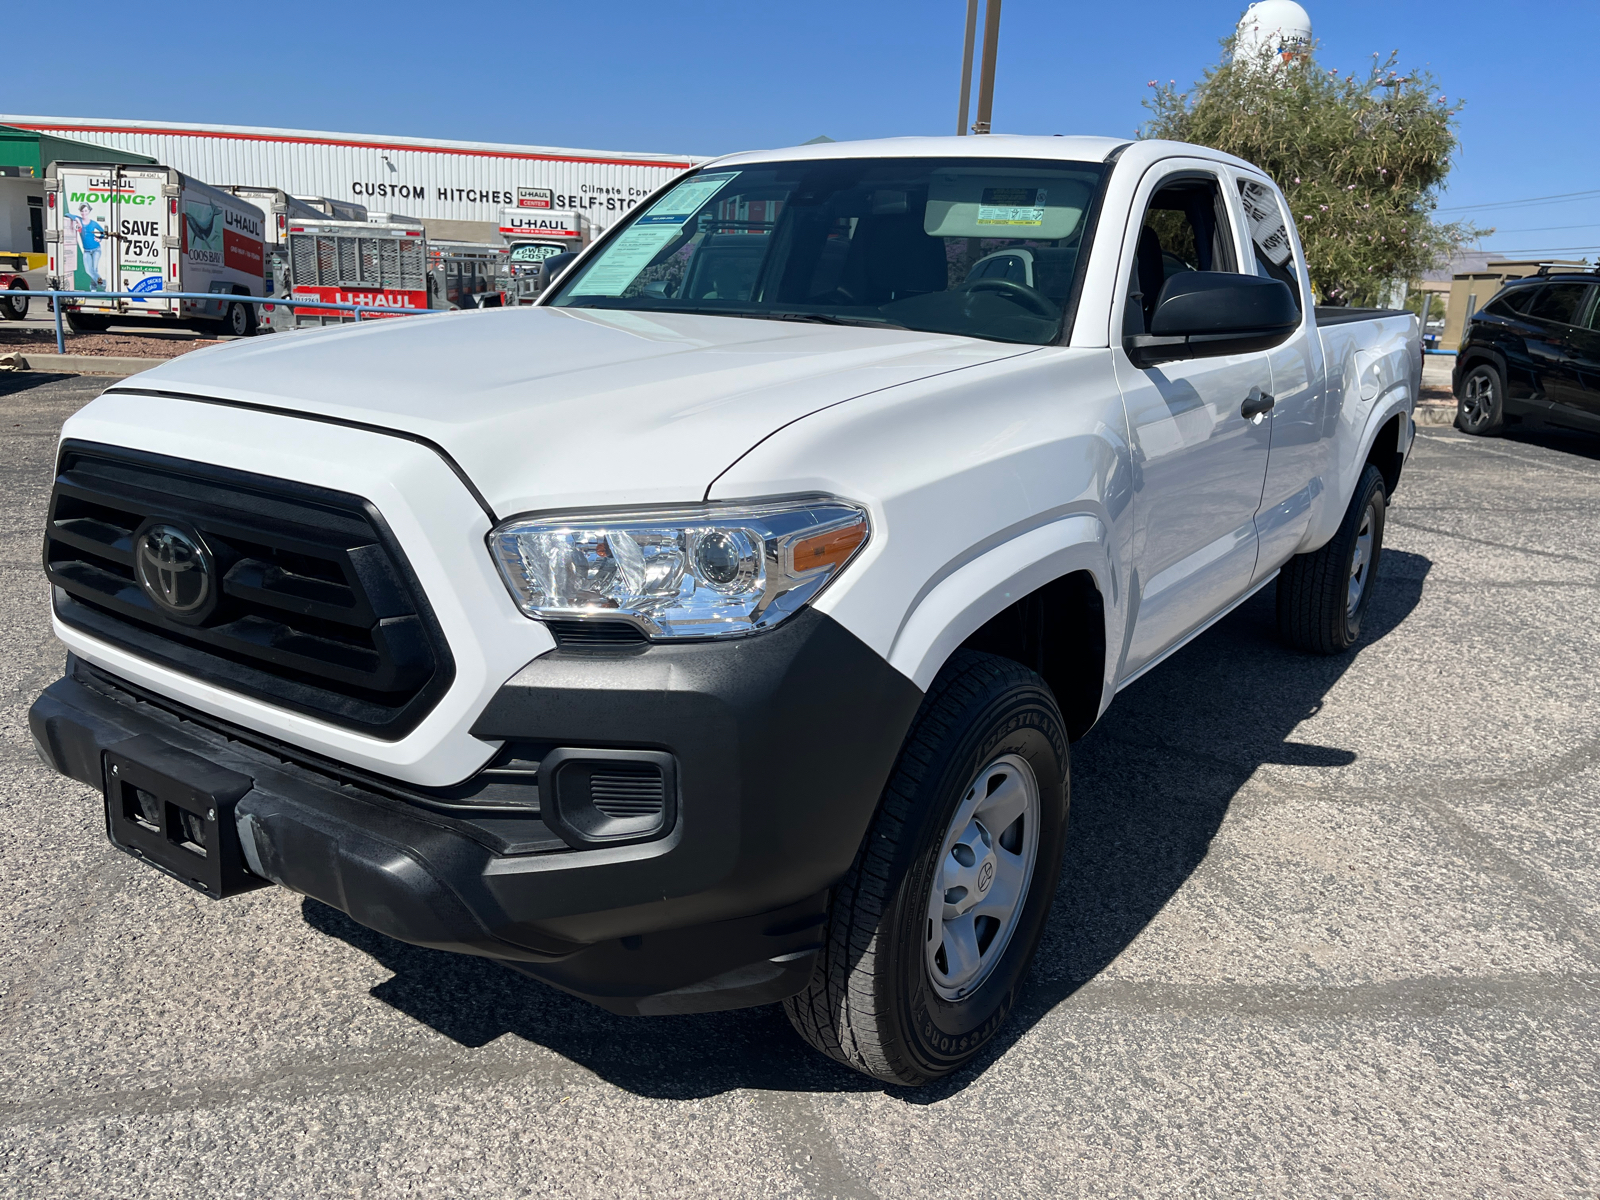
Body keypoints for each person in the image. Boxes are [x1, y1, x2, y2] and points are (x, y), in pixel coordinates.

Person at [71, 204, 116, 291]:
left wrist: (100, 238)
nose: (83, 213)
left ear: (89, 211)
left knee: (94, 269)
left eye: (85, 211)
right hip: (86, 250)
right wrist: (76, 219)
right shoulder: (79, 219)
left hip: (96, 249)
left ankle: (93, 287)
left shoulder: (93, 223)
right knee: (88, 270)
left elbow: (103, 232)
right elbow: (68, 215)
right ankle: (103, 284)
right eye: (82, 211)